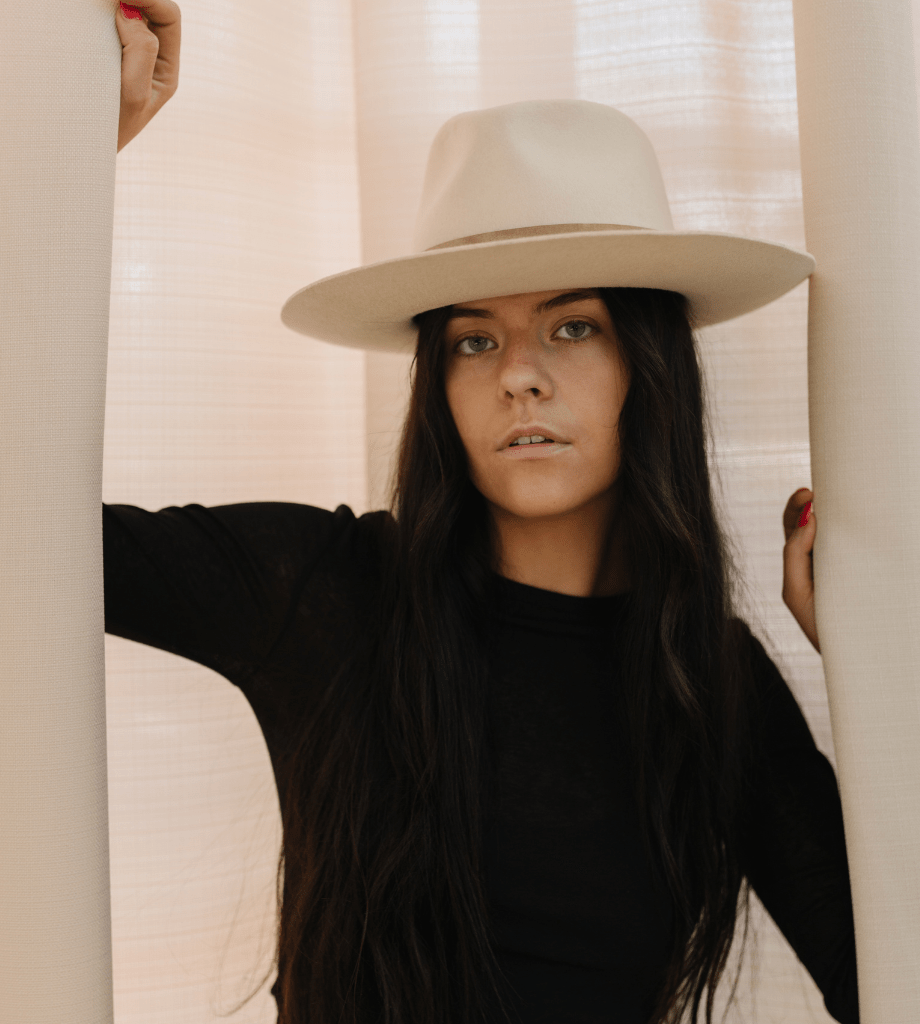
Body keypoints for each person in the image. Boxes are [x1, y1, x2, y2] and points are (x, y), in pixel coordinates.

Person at [109, 5, 855, 1023]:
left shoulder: (710, 681)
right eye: (473, 340)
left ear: (650, 364)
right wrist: (65, 157)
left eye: (573, 326)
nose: (519, 377)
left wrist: (878, 661)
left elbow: (887, 979)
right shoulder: (322, 588)